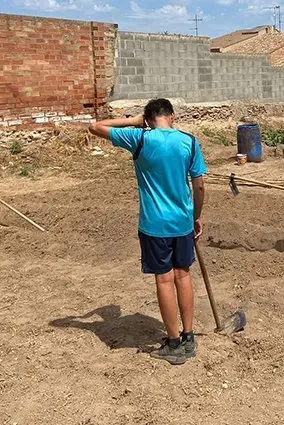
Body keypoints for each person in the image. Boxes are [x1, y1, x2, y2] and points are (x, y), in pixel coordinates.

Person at [88, 98, 207, 365]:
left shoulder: (140, 138)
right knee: (183, 275)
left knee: (164, 280)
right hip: (182, 222)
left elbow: (95, 126)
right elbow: (199, 186)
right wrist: (195, 217)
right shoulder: (189, 141)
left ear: (148, 119)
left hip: (155, 224)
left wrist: (133, 121)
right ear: (172, 117)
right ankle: (188, 335)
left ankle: (174, 342)